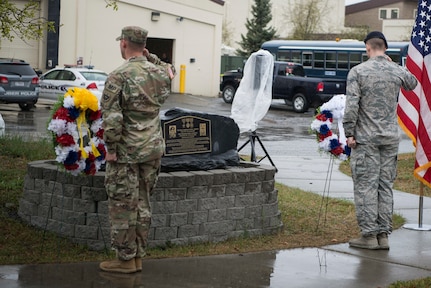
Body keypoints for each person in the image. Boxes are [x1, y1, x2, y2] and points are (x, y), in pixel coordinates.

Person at [99, 26, 172, 273]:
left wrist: (110, 148)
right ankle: (138, 256)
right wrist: (151, 58)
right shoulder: (160, 74)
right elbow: (168, 69)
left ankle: (125, 260)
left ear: (123, 44)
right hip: (152, 150)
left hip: (126, 152)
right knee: (143, 203)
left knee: (123, 205)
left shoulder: (118, 76)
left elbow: (112, 118)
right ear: (143, 46)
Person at [343, 31, 417, 250]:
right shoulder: (395, 70)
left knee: (366, 186)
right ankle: (383, 235)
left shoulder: (358, 72)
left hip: (366, 140)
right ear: (385, 48)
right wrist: (393, 65)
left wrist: (349, 133)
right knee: (385, 187)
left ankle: (368, 236)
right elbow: (412, 83)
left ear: (368, 47)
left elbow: (352, 106)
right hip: (390, 140)